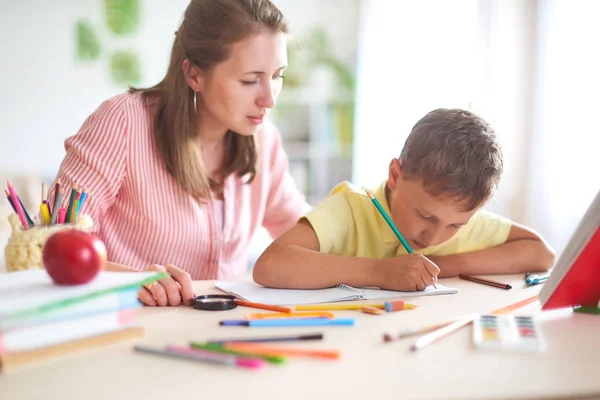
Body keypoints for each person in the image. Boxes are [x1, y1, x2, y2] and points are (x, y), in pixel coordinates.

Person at [48, 0, 308, 306]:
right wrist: (132, 281)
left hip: (226, 331)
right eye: (250, 80)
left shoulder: (264, 139)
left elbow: (304, 231)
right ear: (194, 75)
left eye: (277, 76)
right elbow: (52, 243)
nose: (269, 99)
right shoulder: (124, 122)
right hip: (125, 325)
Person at [253, 108, 556, 291]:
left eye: (455, 226)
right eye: (426, 216)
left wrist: (442, 264)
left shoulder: (456, 216)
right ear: (396, 176)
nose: (434, 235)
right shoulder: (352, 208)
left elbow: (541, 253)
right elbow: (270, 265)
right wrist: (381, 271)